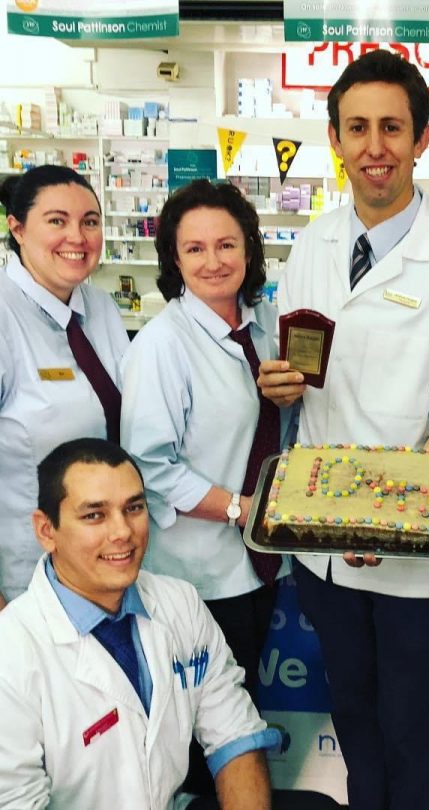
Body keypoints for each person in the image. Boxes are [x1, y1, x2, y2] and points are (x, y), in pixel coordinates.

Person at [257, 49, 429, 810]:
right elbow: (305, 382)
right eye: (357, 127)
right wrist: (280, 386)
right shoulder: (314, 243)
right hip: (327, 553)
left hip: (414, 561)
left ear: (421, 138)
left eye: (392, 128)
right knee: (357, 724)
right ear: (334, 137)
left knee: (418, 737)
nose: (375, 147)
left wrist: (383, 513)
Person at [121, 180, 295, 796]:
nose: (213, 260)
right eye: (194, 249)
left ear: (250, 248)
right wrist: (242, 510)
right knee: (198, 729)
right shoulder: (164, 344)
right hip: (197, 575)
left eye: (226, 243)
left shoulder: (266, 325)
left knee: (238, 712)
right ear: (174, 259)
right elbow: (150, 464)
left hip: (258, 567)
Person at [0, 437, 279, 809]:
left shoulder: (181, 603)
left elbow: (236, 739)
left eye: (133, 508)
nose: (123, 532)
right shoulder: (12, 652)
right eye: (94, 515)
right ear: (46, 530)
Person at [0, 166, 128, 608]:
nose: (77, 236)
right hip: (27, 580)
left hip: (108, 562)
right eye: (57, 220)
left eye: (90, 221)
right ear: (17, 229)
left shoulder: (101, 307)